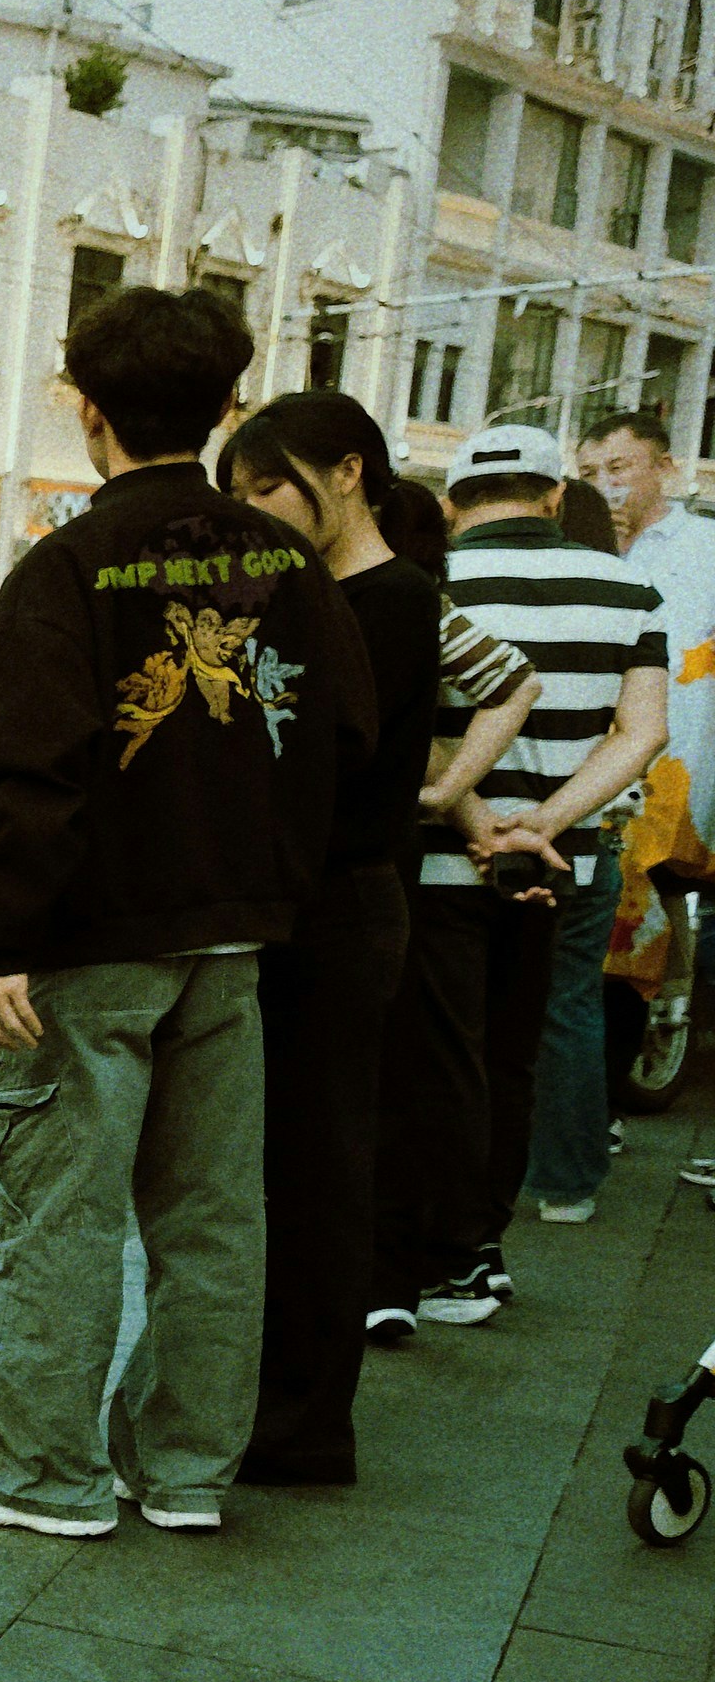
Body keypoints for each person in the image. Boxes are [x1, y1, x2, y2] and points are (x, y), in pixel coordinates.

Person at [0, 285, 369, 1540]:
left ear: (87, 412)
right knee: (214, 1218)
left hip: (92, 944)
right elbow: (348, 744)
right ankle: (184, 1471)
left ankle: (38, 1476)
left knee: (55, 1214)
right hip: (234, 939)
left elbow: (31, 768)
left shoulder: (66, 567)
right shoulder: (287, 566)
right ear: (224, 411)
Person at [219, 393, 538, 1475]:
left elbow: (323, 765)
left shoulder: (387, 598)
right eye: (239, 493)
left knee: (315, 1168)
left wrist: (445, 786)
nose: (252, 508)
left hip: (340, 906)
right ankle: (280, 1409)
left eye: (267, 484)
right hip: (320, 902)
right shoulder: (323, 590)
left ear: (344, 472)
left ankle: (303, 1425)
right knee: (282, 1165)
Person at [432, 425, 665, 1250]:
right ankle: (565, 1186)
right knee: (564, 1010)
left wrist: (491, 821)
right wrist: (549, 820)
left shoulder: (437, 578)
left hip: (451, 848)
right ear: (556, 496)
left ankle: (452, 1205)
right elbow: (642, 734)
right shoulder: (626, 588)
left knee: (452, 1029)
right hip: (576, 847)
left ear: (454, 504)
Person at [581, 409, 715, 1166]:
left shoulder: (701, 547)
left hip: (678, 759)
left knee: (650, 909)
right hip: (597, 757)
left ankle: (644, 1047)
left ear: (663, 467)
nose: (607, 486)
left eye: (620, 469)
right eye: (593, 472)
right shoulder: (586, 546)